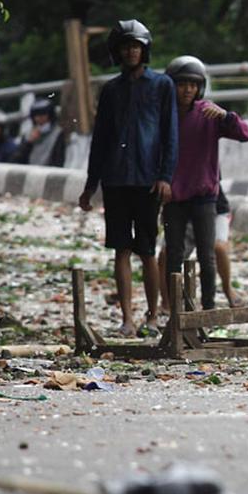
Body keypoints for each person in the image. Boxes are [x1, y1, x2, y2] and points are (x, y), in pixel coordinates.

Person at [80, 20, 178, 338]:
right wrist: (90, 184)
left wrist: (165, 176)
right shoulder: (110, 90)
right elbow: (101, 140)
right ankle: (127, 319)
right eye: (125, 46)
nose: (131, 51)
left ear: (144, 49)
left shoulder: (162, 86)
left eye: (135, 46)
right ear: (117, 51)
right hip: (115, 179)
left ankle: (151, 315)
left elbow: (170, 135)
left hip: (148, 180)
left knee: (147, 250)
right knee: (120, 249)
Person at [162, 55, 248, 311]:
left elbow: (245, 134)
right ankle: (177, 312)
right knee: (173, 257)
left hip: (205, 197)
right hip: (173, 198)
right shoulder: (163, 117)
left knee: (207, 256)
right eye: (181, 84)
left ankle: (208, 309)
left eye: (192, 84)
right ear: (171, 85)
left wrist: (226, 116)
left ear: (200, 86)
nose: (187, 89)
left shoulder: (208, 112)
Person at [12, 98, 67, 167]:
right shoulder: (27, 135)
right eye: (36, 115)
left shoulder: (58, 133)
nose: (39, 118)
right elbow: (16, 161)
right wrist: (28, 143)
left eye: (43, 114)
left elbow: (58, 161)